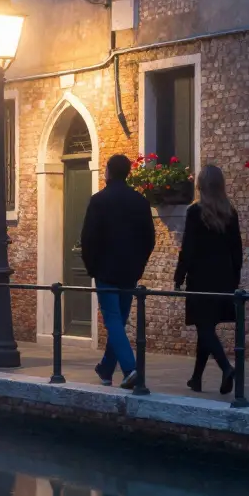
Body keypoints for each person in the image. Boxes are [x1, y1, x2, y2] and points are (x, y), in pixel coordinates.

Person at [81, 154, 155, 389]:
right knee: (118, 321)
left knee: (113, 320)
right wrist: (139, 265)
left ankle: (130, 369)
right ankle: (105, 367)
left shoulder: (99, 201)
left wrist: (92, 267)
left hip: (105, 270)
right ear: (128, 173)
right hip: (129, 271)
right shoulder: (140, 202)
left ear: (108, 172)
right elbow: (149, 239)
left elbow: (88, 239)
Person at [174, 164, 242, 395]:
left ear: (201, 185)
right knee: (207, 328)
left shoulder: (195, 212)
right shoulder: (230, 213)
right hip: (224, 278)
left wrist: (179, 276)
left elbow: (188, 248)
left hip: (201, 278)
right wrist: (235, 281)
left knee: (204, 327)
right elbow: (237, 251)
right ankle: (196, 378)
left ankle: (226, 367)